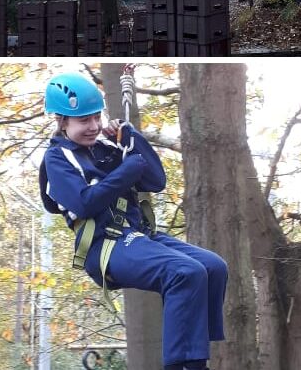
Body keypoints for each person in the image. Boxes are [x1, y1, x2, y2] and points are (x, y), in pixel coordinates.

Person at [39, 73, 227, 370]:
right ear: (62, 121)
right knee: (185, 272)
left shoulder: (107, 149)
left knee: (213, 267)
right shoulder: (57, 158)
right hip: (104, 245)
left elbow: (155, 180)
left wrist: (132, 138)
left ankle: (196, 354)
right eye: (83, 121)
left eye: (95, 117)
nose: (93, 126)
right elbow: (84, 202)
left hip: (137, 235)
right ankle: (183, 364)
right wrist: (127, 171)